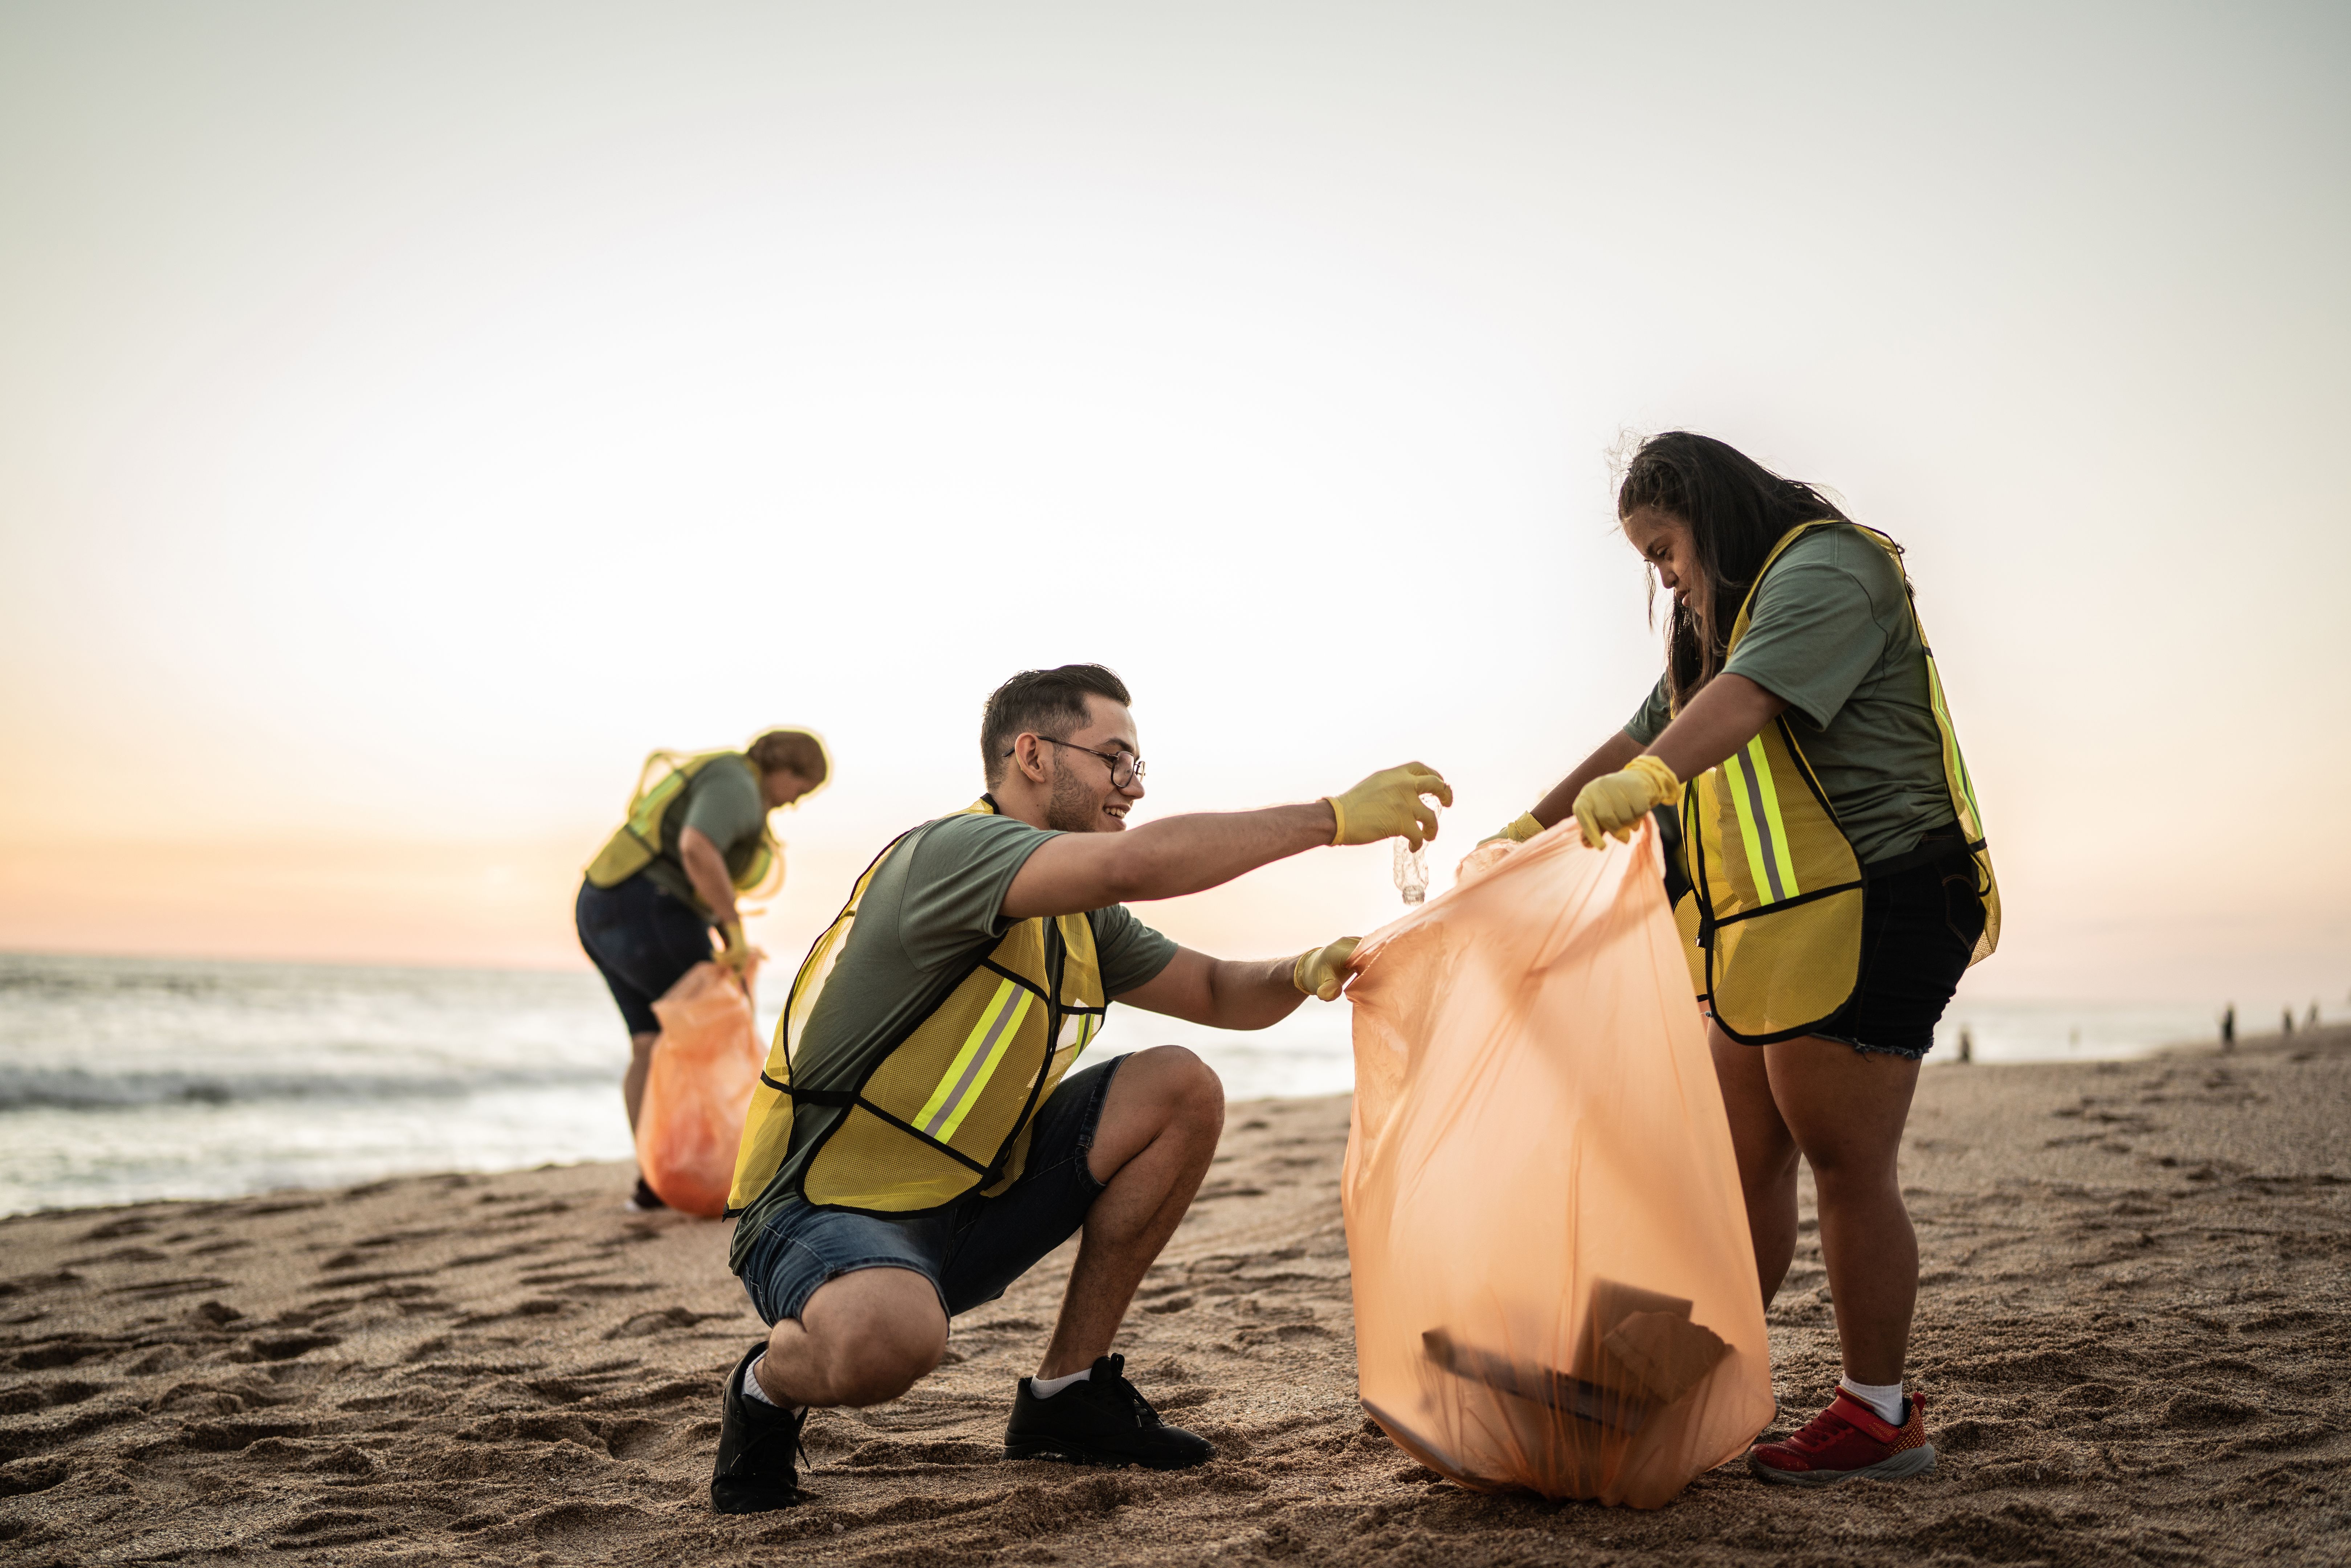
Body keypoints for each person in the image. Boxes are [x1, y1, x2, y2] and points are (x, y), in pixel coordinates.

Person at [710, 664, 1447, 1512]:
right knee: (889, 1341)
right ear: (1032, 754)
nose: (1129, 788)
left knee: (1179, 1086)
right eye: (1114, 761)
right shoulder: (954, 852)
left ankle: (1068, 1395)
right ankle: (765, 1390)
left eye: (1136, 769)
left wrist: (1307, 968)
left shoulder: (1078, 916)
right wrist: (1331, 819)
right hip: (821, 1209)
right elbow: (1133, 864)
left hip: (965, 1203)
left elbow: (1216, 994)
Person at [1485, 432, 1998, 1488]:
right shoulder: (1709, 628)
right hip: (1773, 926)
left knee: (1845, 1162)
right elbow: (1634, 741)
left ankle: (1878, 1417)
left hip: (1880, 897)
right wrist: (1515, 841)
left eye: (1663, 549)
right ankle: (1660, 1377)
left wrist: (1654, 778)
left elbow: (1745, 703)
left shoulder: (1827, 568)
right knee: (1730, 1171)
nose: (1663, 577)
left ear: (1709, 518)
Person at [577, 729, 830, 1210]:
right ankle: (737, 1173)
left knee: (650, 1043)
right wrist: (733, 930)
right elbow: (697, 847)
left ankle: (656, 1179)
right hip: (647, 906)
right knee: (716, 1029)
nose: (795, 803)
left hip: (600, 904)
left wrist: (721, 930)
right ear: (785, 769)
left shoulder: (723, 772)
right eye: (802, 788)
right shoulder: (738, 783)